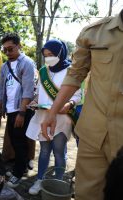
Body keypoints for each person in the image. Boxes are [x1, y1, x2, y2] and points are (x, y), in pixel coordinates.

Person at [41, 9, 123, 200]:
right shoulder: (95, 33)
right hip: (94, 135)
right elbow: (75, 75)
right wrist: (52, 113)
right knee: (86, 194)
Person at [26, 39, 81, 195]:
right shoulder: (44, 71)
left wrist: (69, 104)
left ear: (60, 53)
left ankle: (58, 182)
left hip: (62, 118)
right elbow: (39, 93)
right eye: (45, 55)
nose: (48, 58)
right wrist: (35, 101)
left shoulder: (71, 71)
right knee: (44, 151)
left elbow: (77, 95)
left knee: (58, 151)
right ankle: (40, 179)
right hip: (43, 117)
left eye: (51, 54)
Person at [0, 33, 35, 188]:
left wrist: (22, 113)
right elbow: (1, 89)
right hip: (10, 109)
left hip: (22, 109)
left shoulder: (27, 63)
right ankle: (20, 167)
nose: (8, 53)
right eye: (5, 50)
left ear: (19, 46)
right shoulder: (5, 66)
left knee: (19, 142)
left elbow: (28, 91)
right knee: (15, 140)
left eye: (10, 49)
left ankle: (18, 173)